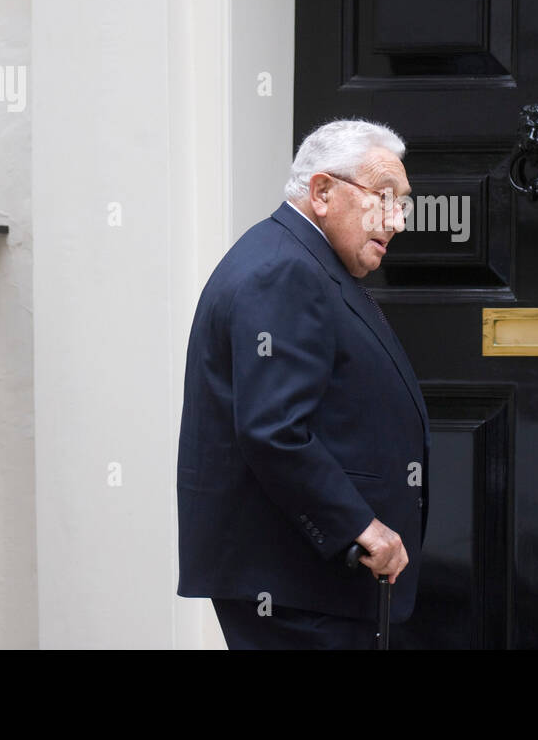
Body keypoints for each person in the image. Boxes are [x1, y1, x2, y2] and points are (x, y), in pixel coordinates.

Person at [176, 118, 429, 649]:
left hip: (308, 585)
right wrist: (360, 526)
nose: (397, 221)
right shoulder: (283, 270)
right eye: (384, 197)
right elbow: (274, 429)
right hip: (297, 585)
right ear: (322, 191)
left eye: (402, 203)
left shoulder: (300, 260)